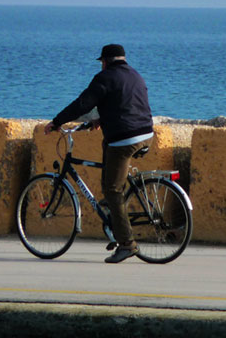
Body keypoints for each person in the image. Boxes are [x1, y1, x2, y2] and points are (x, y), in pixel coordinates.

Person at [44, 44, 154, 263]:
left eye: (102, 62)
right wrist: (100, 120)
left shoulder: (104, 78)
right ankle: (113, 213)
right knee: (109, 157)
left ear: (106, 61)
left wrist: (57, 122)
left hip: (126, 138)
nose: (101, 65)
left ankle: (127, 244)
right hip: (146, 133)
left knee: (113, 190)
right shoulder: (134, 75)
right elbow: (125, 104)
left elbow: (82, 104)